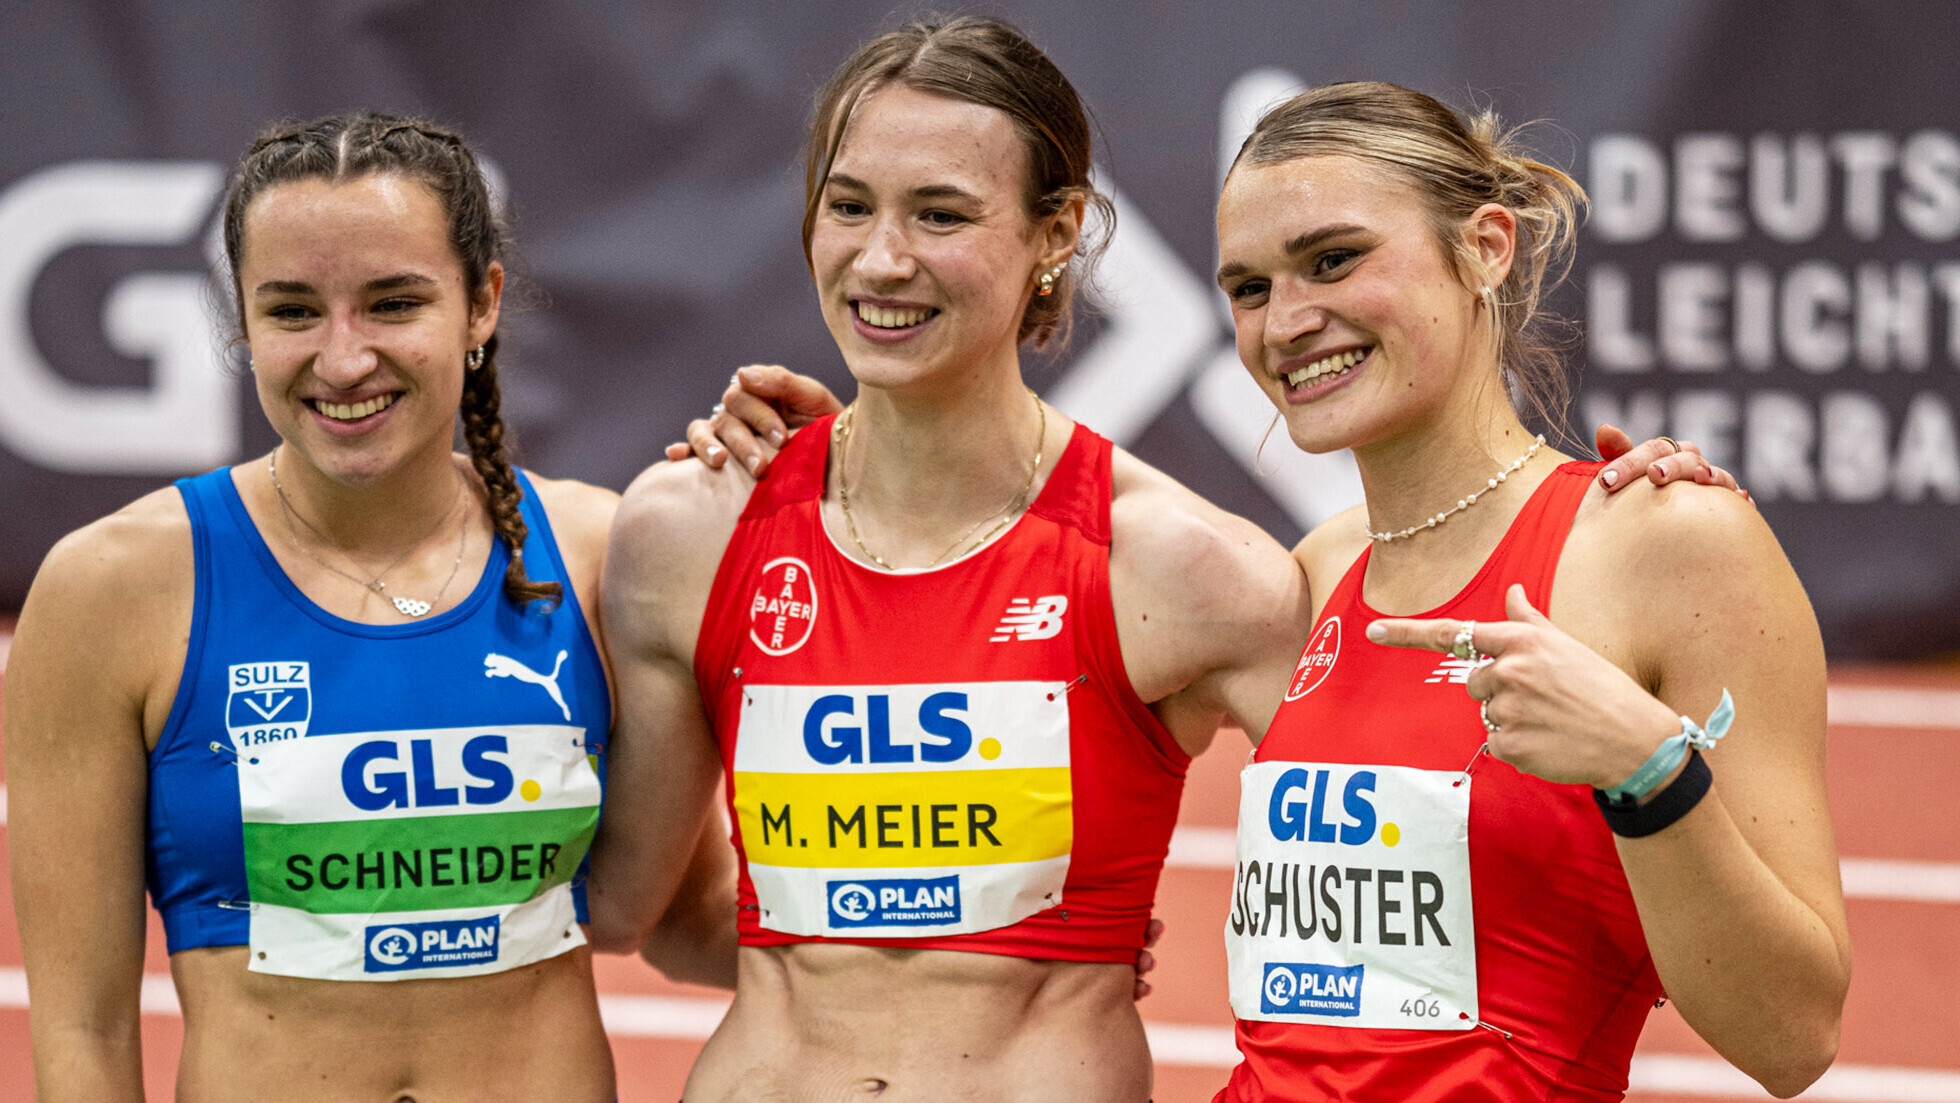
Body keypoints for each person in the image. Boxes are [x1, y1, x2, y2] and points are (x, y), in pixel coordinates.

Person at [591, 18, 1728, 1102]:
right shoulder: (691, 531)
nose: (882, 257)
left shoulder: (1190, 573)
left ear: (1057, 234)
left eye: (940, 214)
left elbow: (1471, 838)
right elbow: (629, 910)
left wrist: (1596, 527)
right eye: (848, 205)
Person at [1207, 83, 1847, 1100]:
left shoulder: (1667, 541)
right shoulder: (1312, 572)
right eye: (1247, 287)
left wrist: (1647, 771)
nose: (1284, 320)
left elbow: (1794, 1035)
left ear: (1486, 248)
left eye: (1333, 260)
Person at [5, 113, 628, 1101]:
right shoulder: (110, 588)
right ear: (241, 323)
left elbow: (691, 910)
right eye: (293, 310)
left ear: (481, 306)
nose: (343, 359)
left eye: (392, 303)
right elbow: (82, 1026)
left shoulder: (600, 557)